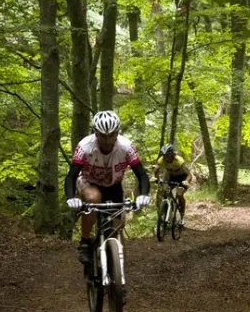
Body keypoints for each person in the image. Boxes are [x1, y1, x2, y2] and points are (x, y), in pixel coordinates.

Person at [64, 111, 151, 274]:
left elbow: (142, 175)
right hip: (88, 182)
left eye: (111, 135)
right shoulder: (85, 146)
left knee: (117, 229)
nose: (106, 140)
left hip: (113, 186)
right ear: (95, 133)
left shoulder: (126, 147)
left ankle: (116, 269)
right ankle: (85, 242)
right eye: (102, 136)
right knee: (93, 198)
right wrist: (71, 198)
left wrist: (143, 195)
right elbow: (71, 176)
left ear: (117, 133)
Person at [152, 143, 194, 228]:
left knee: (179, 194)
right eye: (164, 156)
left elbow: (189, 174)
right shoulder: (161, 160)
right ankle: (166, 215)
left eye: (167, 155)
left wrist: (186, 181)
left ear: (172, 154)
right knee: (165, 191)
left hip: (182, 177)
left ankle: (181, 217)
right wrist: (154, 178)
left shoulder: (179, 161)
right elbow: (155, 171)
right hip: (171, 177)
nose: (165, 158)